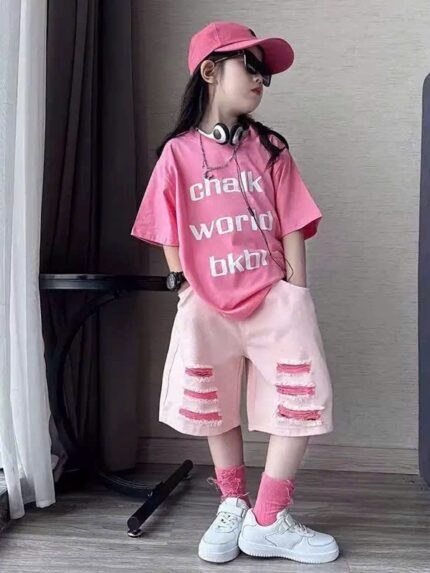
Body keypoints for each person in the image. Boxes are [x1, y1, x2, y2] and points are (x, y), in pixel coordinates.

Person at [130, 20, 339, 565]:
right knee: (214, 400)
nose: (260, 80)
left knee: (301, 399)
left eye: (264, 73)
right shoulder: (176, 154)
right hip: (206, 300)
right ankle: (233, 503)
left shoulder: (271, 149)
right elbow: (166, 225)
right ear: (209, 71)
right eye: (250, 66)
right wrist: (183, 283)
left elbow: (293, 220)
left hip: (272, 295)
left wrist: (295, 288)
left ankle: (268, 518)